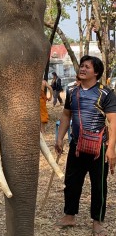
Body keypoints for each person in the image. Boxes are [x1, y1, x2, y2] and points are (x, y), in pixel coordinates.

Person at [55, 56, 116, 236]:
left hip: (99, 147)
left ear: (96, 72)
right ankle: (69, 216)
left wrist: (111, 148)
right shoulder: (72, 91)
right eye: (81, 66)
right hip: (77, 145)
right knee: (71, 182)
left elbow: (113, 122)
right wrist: (60, 138)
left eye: (86, 67)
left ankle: (97, 221)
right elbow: (66, 115)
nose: (82, 69)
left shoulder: (106, 93)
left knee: (99, 185)